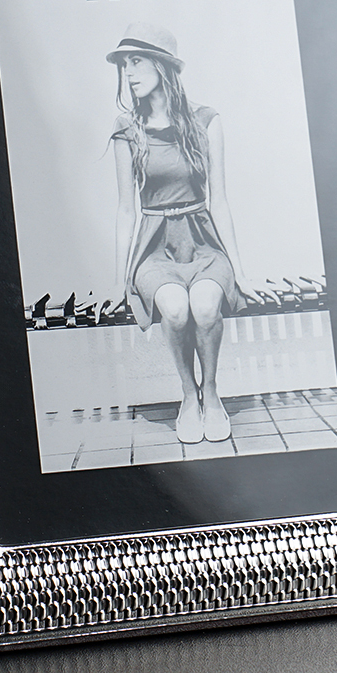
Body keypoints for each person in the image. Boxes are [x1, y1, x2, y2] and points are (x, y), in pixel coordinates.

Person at [103, 23, 257, 444]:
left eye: (137, 62)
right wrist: (120, 279)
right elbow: (125, 210)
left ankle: (212, 393)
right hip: (155, 246)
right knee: (174, 309)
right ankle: (189, 395)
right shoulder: (126, 128)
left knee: (205, 307)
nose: (129, 73)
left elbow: (220, 200)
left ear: (162, 66)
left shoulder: (206, 121)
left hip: (202, 240)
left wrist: (240, 271)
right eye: (124, 64)